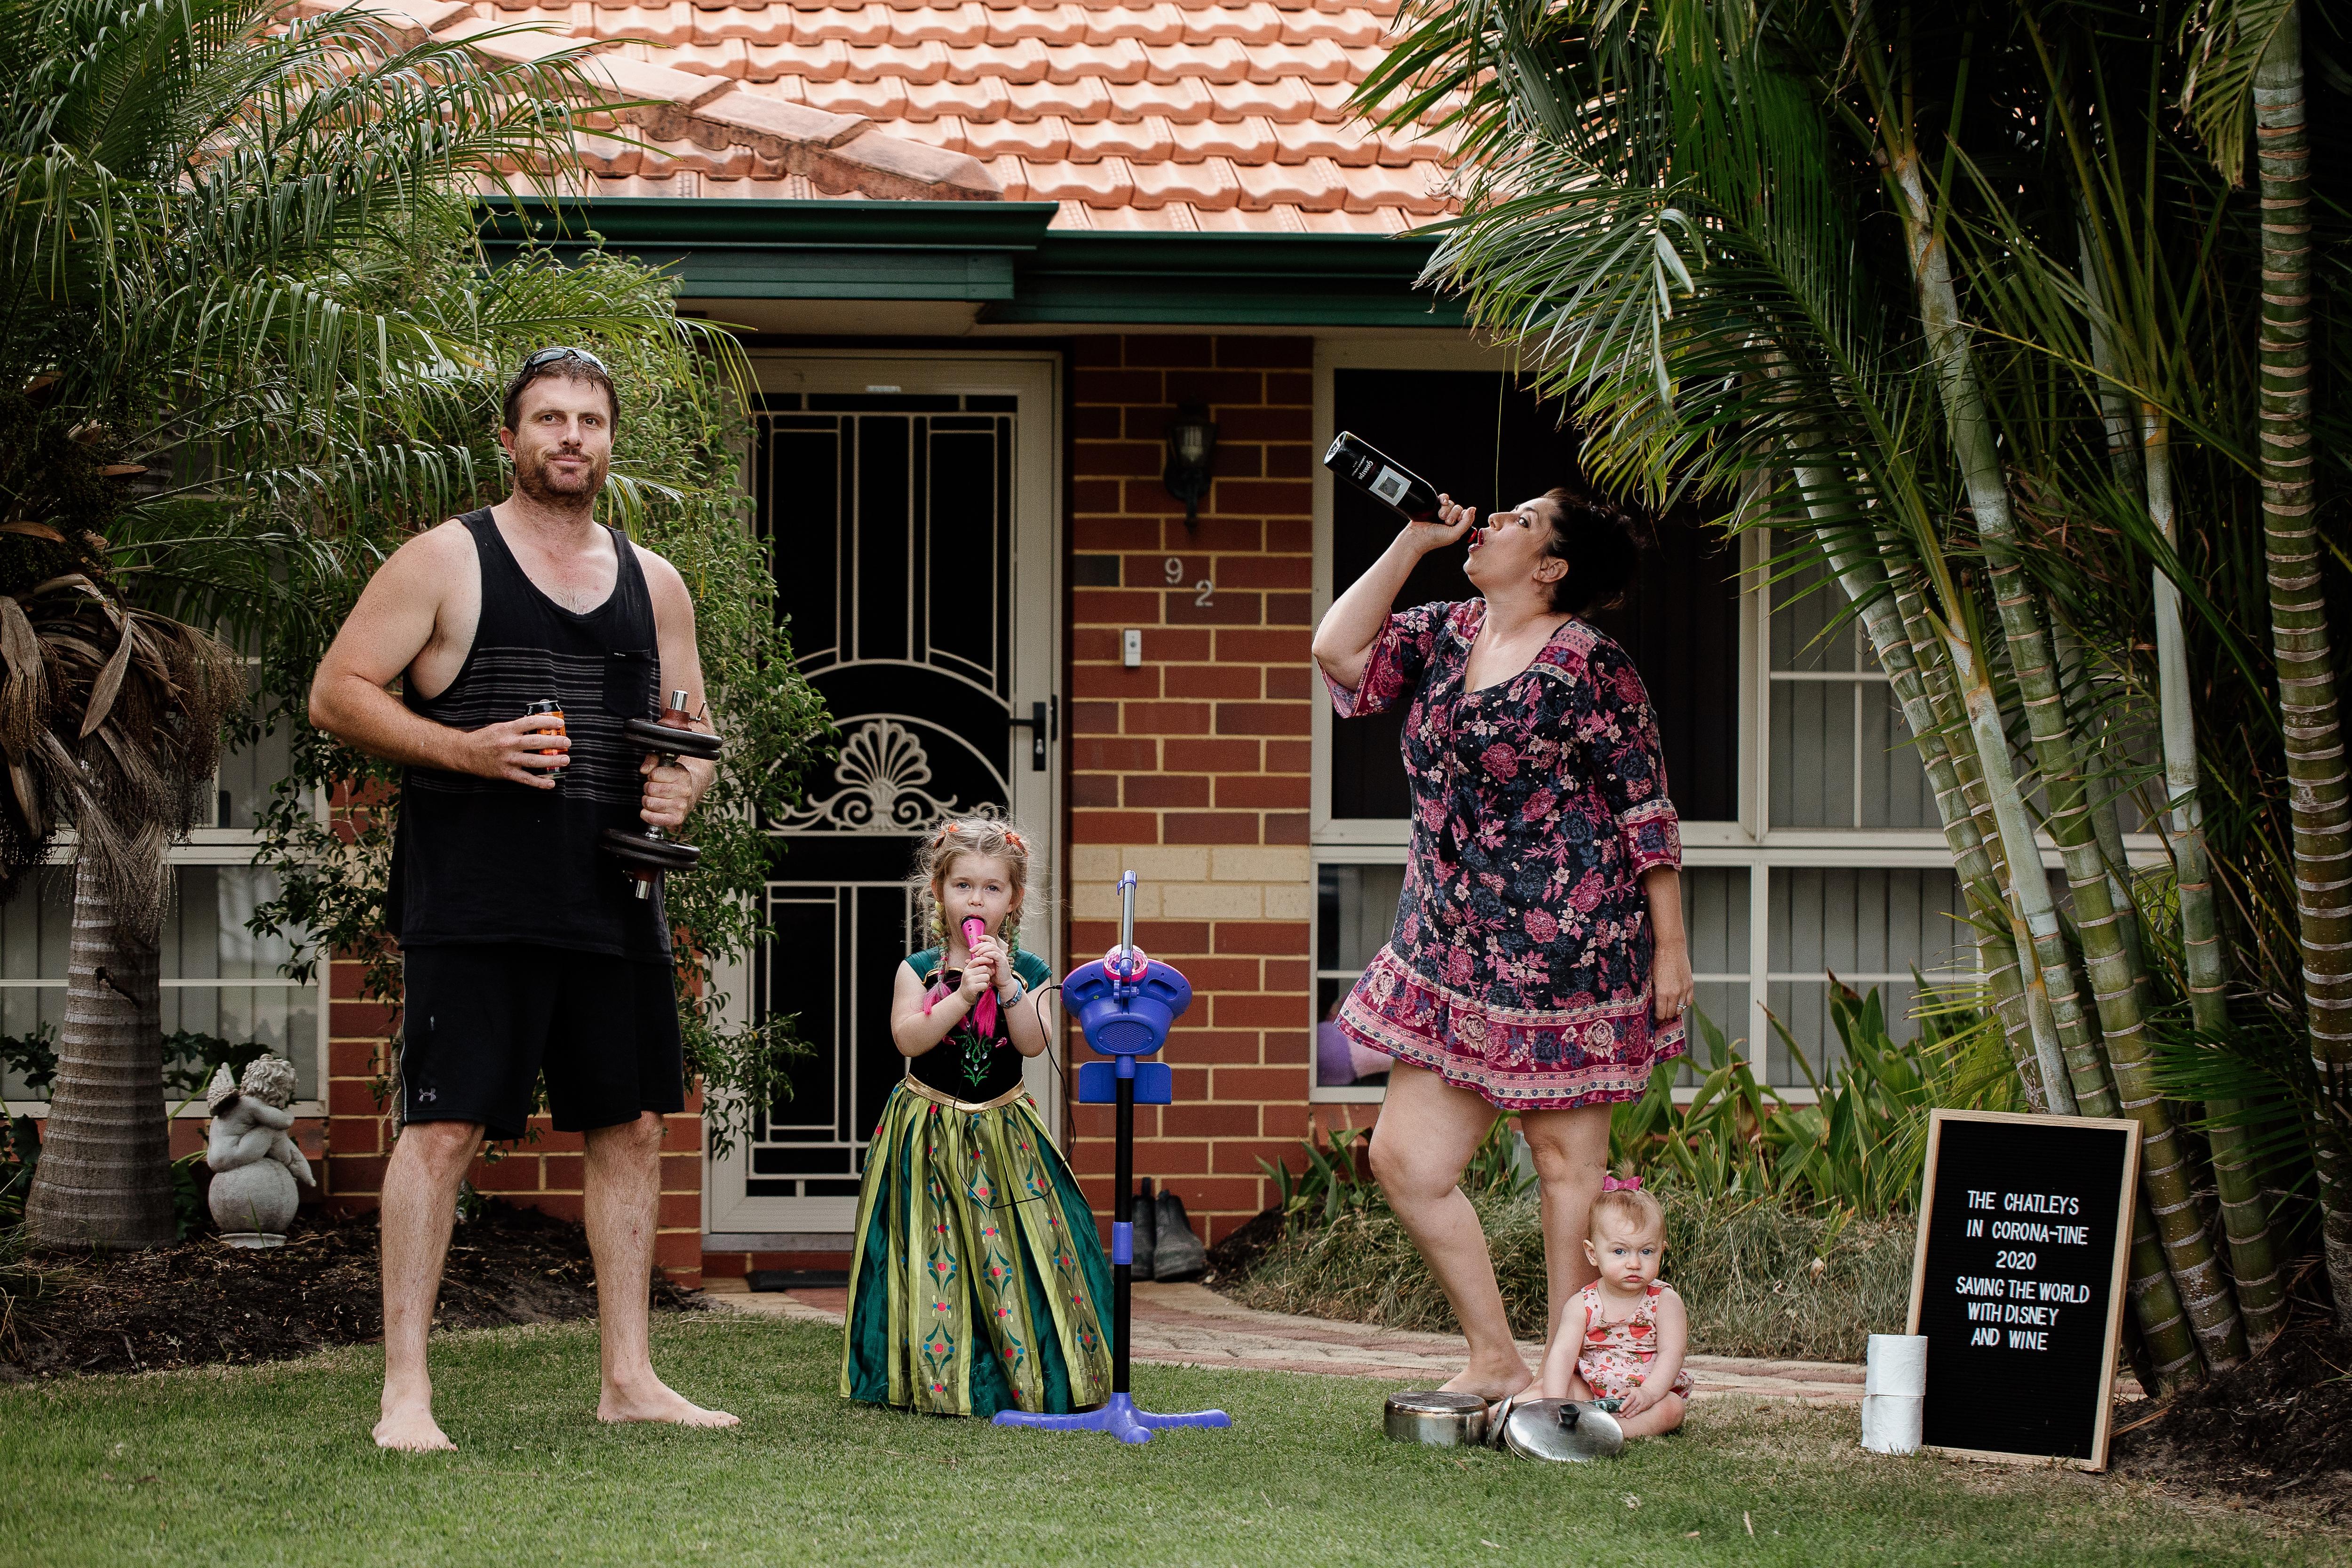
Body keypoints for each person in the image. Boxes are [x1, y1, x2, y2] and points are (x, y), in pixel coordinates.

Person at [310, 346, 736, 1451]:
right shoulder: (447, 561)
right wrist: (465, 748)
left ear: (609, 441)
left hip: (615, 897)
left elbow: (695, 734)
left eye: (589, 421)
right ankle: (406, 1394)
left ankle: (629, 1377)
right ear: (509, 440)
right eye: (548, 419)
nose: (569, 438)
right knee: (444, 1129)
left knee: (631, 1125)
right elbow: (338, 693)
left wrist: (682, 785)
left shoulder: (656, 583)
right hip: (478, 899)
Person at [1311, 487, 1694, 1405]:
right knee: (1405, 1162)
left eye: (1519, 520)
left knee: (1566, 1169)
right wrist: (1413, 539)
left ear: (1552, 566)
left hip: (1570, 952)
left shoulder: (1591, 665)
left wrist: (1669, 946)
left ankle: (1565, 1383)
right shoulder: (1445, 631)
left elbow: (1646, 806)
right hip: (1446, 947)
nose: (1489, 524)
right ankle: (1496, 1357)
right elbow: (1337, 652)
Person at [841, 813, 1115, 1418]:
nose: (977, 899)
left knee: (1018, 1246)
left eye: (992, 888)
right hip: (927, 1129)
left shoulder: (1035, 974)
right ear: (938, 892)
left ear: (1013, 900)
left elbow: (1032, 1043)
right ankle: (930, 1376)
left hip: (1002, 1127)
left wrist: (1008, 986)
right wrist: (962, 995)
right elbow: (909, 1039)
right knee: (931, 1248)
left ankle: (1029, 1368)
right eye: (963, 884)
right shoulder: (917, 969)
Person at [1533, 1178, 1691, 1437]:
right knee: (1550, 1387)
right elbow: (1562, 1355)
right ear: (1593, 1253)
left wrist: (1649, 1394)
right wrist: (1555, 1401)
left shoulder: (1665, 1302)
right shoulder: (1582, 1304)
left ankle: (1611, 1430)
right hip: (1591, 1388)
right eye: (1620, 1252)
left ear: (1662, 1251)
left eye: (1647, 1252)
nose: (1634, 1263)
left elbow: (1672, 1354)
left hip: (1642, 1395)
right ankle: (1538, 1416)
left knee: (1673, 1409)